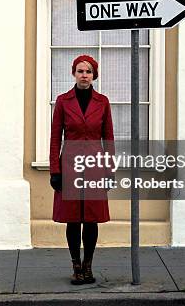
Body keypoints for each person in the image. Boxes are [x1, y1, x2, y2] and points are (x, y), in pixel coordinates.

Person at [49, 54, 115, 285]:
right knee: (73, 219)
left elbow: (109, 138)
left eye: (88, 71)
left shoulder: (102, 102)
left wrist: (110, 171)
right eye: (80, 71)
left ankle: (88, 265)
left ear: (94, 75)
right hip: (70, 166)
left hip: (96, 166)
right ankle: (76, 265)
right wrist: (55, 171)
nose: (84, 75)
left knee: (92, 219)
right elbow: (55, 138)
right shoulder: (63, 101)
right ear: (73, 74)